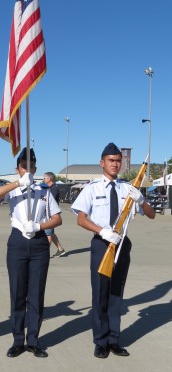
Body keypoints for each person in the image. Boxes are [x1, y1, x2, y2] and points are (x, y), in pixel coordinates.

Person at [71, 142, 155, 359]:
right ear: (102, 163)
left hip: (122, 244)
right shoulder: (92, 189)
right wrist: (102, 231)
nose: (115, 164)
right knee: (100, 294)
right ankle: (100, 341)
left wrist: (142, 199)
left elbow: (151, 214)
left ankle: (114, 340)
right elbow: (81, 219)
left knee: (117, 294)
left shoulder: (128, 189)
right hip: (101, 243)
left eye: (118, 160)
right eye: (111, 160)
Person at [0, 148, 62, 358]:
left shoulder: (44, 191)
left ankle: (33, 340)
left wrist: (40, 226)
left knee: (36, 294)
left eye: (32, 166)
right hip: (17, 242)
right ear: (18, 168)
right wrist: (19, 182)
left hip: (39, 242)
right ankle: (17, 341)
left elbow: (57, 218)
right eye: (24, 166)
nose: (28, 170)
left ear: (36, 168)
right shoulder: (13, 189)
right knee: (17, 293)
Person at [43, 172, 66, 257]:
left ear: (49, 178)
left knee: (48, 234)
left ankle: (44, 253)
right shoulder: (49, 188)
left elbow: (49, 201)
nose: (43, 179)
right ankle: (60, 250)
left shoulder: (54, 188)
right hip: (48, 214)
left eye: (45, 178)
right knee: (51, 233)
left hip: (51, 215)